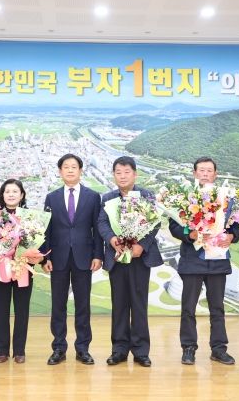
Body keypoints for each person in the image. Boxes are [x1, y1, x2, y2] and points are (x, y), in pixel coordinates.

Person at [169, 157, 239, 366]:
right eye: (201, 170)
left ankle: (219, 349)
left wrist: (232, 236)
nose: (205, 174)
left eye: (209, 170)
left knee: (217, 308)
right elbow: (174, 226)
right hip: (193, 260)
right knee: (188, 308)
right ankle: (188, 348)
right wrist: (189, 234)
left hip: (217, 259)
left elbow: (234, 226)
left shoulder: (226, 198)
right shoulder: (184, 197)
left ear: (215, 174)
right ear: (194, 174)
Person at [97, 156, 163, 367]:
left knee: (139, 304)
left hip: (139, 258)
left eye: (127, 172)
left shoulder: (146, 195)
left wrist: (141, 245)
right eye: (118, 172)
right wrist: (112, 239)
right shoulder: (108, 198)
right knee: (119, 305)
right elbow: (102, 223)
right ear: (114, 175)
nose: (122, 176)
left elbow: (154, 224)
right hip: (117, 256)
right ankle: (119, 350)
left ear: (135, 174)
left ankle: (141, 351)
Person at [40, 154, 104, 365]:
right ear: (60, 171)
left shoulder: (93, 197)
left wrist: (98, 255)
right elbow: (46, 229)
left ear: (80, 171)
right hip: (57, 258)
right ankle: (59, 348)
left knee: (83, 305)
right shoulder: (51, 197)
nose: (69, 170)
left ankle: (82, 348)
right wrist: (45, 258)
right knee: (58, 305)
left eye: (74, 167)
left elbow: (97, 229)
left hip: (84, 258)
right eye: (66, 167)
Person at [0, 179, 31, 364]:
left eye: (15, 191)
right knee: (1, 309)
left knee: (22, 310)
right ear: (2, 195)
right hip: (1, 266)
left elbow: (37, 241)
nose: (11, 194)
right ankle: (2, 350)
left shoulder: (30, 217)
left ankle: (19, 350)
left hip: (22, 267)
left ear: (21, 195)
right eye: (7, 191)